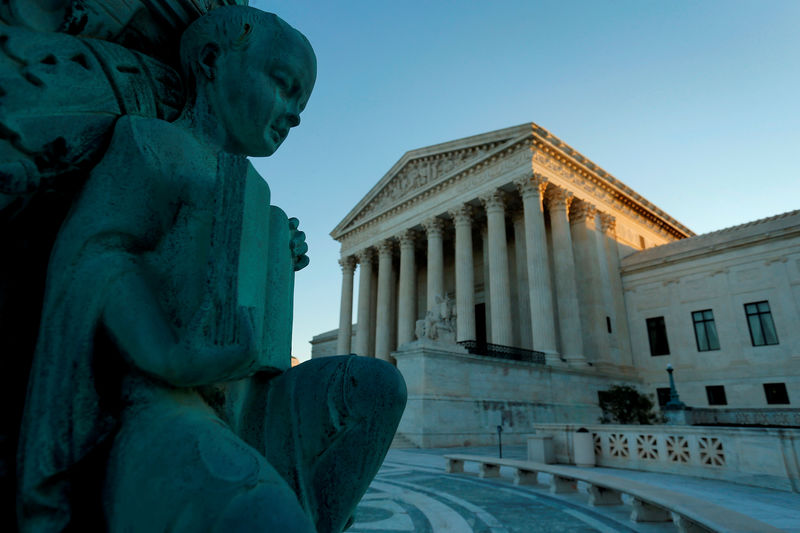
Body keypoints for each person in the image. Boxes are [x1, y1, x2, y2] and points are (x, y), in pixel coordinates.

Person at [17, 6, 406, 532]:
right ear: (209, 62)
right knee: (262, 516)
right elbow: (99, 254)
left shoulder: (254, 192)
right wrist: (167, 355)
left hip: (253, 398)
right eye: (283, 85)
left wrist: (275, 260)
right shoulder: (151, 143)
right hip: (167, 399)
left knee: (380, 388)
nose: (293, 114)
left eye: (301, 104)